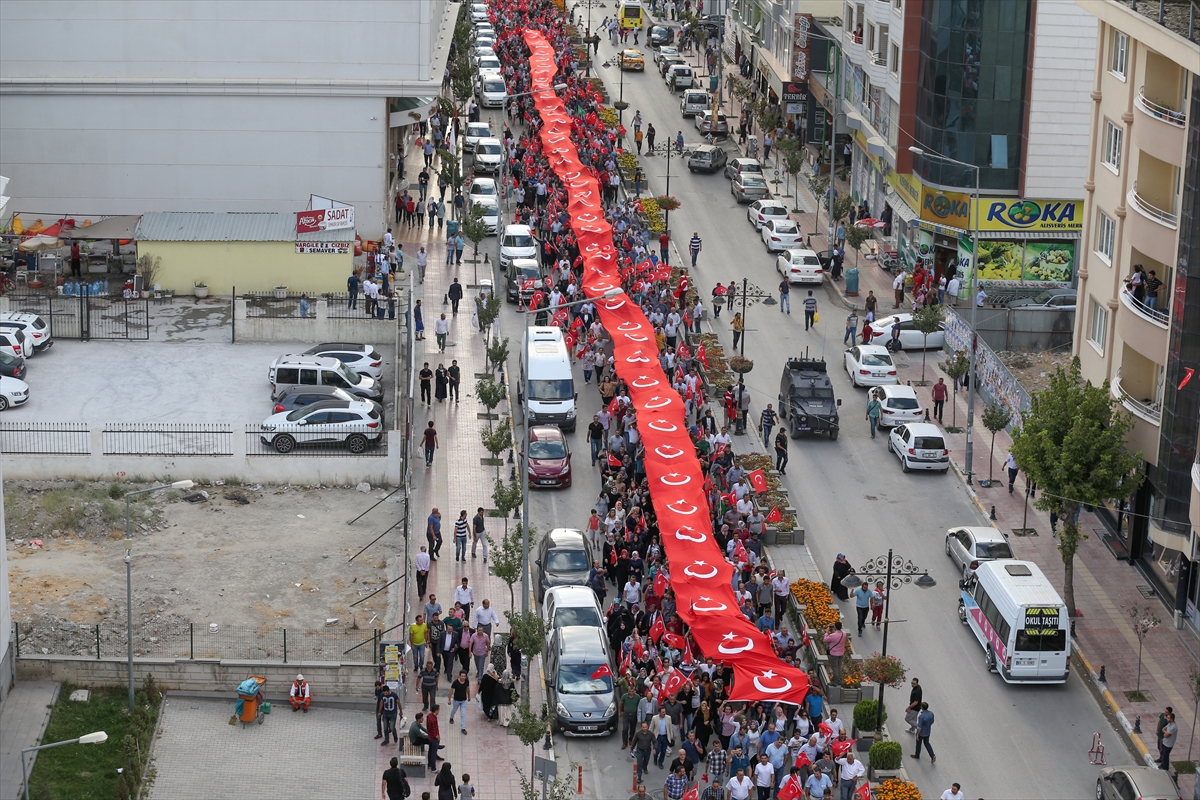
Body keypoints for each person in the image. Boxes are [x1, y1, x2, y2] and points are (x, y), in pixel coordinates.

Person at [426, 704, 444, 771]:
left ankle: (429, 764)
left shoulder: (429, 716)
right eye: (439, 709)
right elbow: (434, 731)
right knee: (433, 753)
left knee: (430, 751)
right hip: (434, 739)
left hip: (429, 737)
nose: (439, 710)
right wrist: (438, 737)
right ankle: (433, 768)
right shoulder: (433, 719)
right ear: (436, 710)